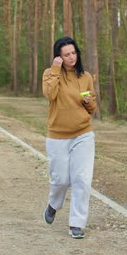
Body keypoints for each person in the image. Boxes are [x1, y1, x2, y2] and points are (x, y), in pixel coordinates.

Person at [41, 36, 97, 239]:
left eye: (73, 53)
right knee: (61, 180)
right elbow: (49, 94)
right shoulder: (50, 74)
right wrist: (55, 70)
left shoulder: (86, 76)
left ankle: (77, 224)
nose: (71, 57)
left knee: (82, 179)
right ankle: (54, 204)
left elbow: (92, 107)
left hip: (83, 134)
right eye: (66, 54)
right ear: (59, 57)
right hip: (57, 136)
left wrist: (90, 102)